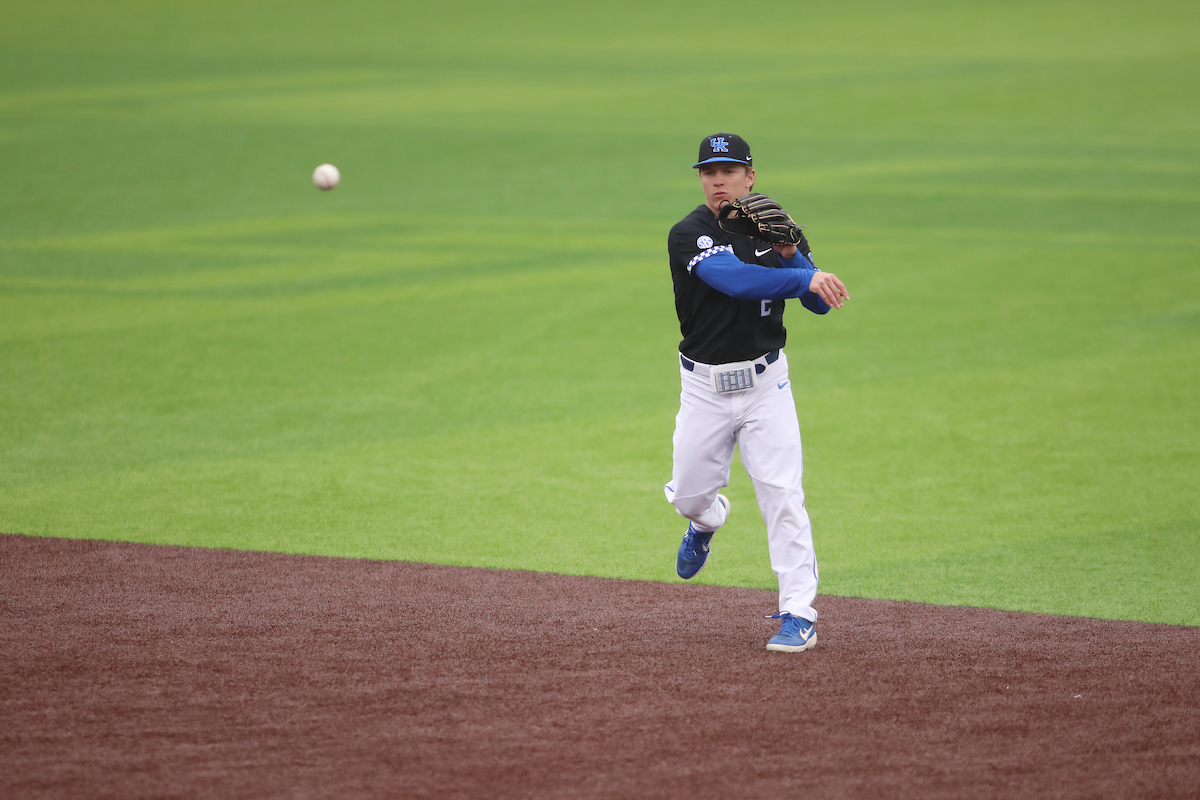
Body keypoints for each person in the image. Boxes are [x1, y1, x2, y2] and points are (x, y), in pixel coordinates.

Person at [664, 132, 848, 652]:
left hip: (768, 384)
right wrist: (801, 278)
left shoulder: (778, 230)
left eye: (727, 170)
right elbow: (737, 280)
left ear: (750, 177)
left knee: (783, 497)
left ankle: (799, 614)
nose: (717, 180)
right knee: (690, 496)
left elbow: (817, 302)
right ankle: (707, 521)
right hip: (703, 388)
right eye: (707, 171)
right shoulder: (690, 233)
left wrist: (792, 253)